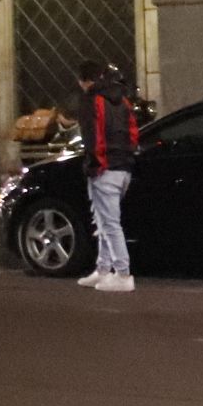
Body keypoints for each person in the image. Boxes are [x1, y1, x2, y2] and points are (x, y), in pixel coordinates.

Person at [73, 61, 139, 293]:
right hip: (123, 168)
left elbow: (93, 136)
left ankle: (123, 274)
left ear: (84, 80)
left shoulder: (93, 100)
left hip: (105, 168)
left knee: (109, 223)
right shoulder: (123, 100)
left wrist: (95, 164)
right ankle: (103, 269)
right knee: (104, 220)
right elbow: (132, 134)